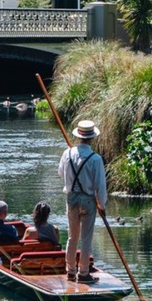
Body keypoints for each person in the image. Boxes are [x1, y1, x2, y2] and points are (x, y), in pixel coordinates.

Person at [59, 120, 108, 282]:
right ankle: (84, 273)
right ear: (92, 138)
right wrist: (102, 205)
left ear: (78, 136)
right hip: (87, 200)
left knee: (72, 236)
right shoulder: (96, 159)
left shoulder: (67, 153)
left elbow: (61, 173)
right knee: (86, 237)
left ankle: (71, 271)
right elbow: (100, 185)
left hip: (71, 199)